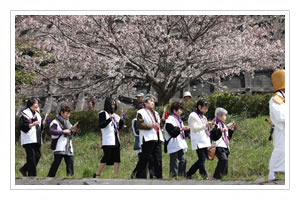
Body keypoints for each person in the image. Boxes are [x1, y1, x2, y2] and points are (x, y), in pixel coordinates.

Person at [135, 94, 165, 179]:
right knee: (145, 157)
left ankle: (157, 175)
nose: (153, 103)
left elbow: (159, 126)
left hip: (157, 137)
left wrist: (162, 122)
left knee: (158, 158)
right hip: (147, 138)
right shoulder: (141, 112)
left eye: (153, 101)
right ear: (145, 103)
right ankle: (138, 175)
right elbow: (139, 125)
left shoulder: (156, 113)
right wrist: (150, 126)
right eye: (150, 101)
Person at [94, 97, 124, 178]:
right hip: (108, 139)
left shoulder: (115, 115)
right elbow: (101, 125)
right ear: (108, 104)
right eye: (112, 104)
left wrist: (121, 119)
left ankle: (116, 176)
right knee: (106, 156)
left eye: (114, 105)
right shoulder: (102, 113)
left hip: (116, 138)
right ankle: (97, 174)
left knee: (117, 157)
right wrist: (109, 119)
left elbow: (119, 126)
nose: (113, 106)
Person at [48, 104, 78, 177]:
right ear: (62, 113)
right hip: (59, 146)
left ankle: (70, 179)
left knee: (70, 164)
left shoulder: (68, 122)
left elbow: (71, 132)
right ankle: (49, 179)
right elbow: (52, 131)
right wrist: (63, 131)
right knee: (56, 164)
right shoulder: (55, 122)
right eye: (67, 113)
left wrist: (74, 130)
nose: (68, 115)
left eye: (69, 113)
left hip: (68, 147)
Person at [19, 97, 46, 177]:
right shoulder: (25, 114)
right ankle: (32, 176)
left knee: (38, 156)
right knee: (31, 157)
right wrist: (32, 124)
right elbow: (22, 126)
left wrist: (43, 125)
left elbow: (40, 126)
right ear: (31, 104)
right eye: (36, 103)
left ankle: (24, 169)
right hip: (29, 139)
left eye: (37, 103)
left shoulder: (37, 114)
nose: (37, 105)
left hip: (37, 138)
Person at [186, 99, 212, 180]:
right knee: (202, 158)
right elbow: (194, 128)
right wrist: (205, 125)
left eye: (207, 108)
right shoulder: (193, 115)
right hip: (198, 141)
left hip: (204, 140)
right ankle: (204, 175)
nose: (206, 110)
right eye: (204, 108)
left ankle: (188, 174)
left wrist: (211, 125)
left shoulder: (203, 117)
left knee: (202, 158)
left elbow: (206, 128)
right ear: (199, 106)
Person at [210, 107, 237, 180]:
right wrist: (220, 130)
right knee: (223, 160)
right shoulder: (215, 124)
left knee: (225, 161)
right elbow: (213, 136)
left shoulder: (224, 125)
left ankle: (224, 176)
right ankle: (216, 176)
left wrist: (231, 130)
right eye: (224, 115)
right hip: (218, 145)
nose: (225, 117)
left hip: (225, 146)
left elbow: (228, 137)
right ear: (219, 116)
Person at [164, 102, 190, 178]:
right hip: (172, 143)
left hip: (179, 143)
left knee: (183, 160)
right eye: (180, 109)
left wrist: (186, 129)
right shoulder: (169, 119)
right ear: (174, 110)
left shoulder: (179, 119)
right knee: (174, 161)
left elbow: (180, 131)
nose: (181, 111)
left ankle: (181, 175)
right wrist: (182, 129)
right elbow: (172, 132)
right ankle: (173, 177)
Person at [268, 69, 285, 181]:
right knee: (280, 150)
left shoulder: (284, 98)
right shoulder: (276, 99)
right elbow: (279, 115)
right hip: (281, 129)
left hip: (286, 129)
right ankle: (271, 174)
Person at [130, 102, 155, 179]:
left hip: (148, 140)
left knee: (149, 158)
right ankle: (138, 175)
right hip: (140, 142)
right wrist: (147, 128)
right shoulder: (135, 120)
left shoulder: (150, 118)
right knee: (143, 159)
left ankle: (150, 175)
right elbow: (136, 131)